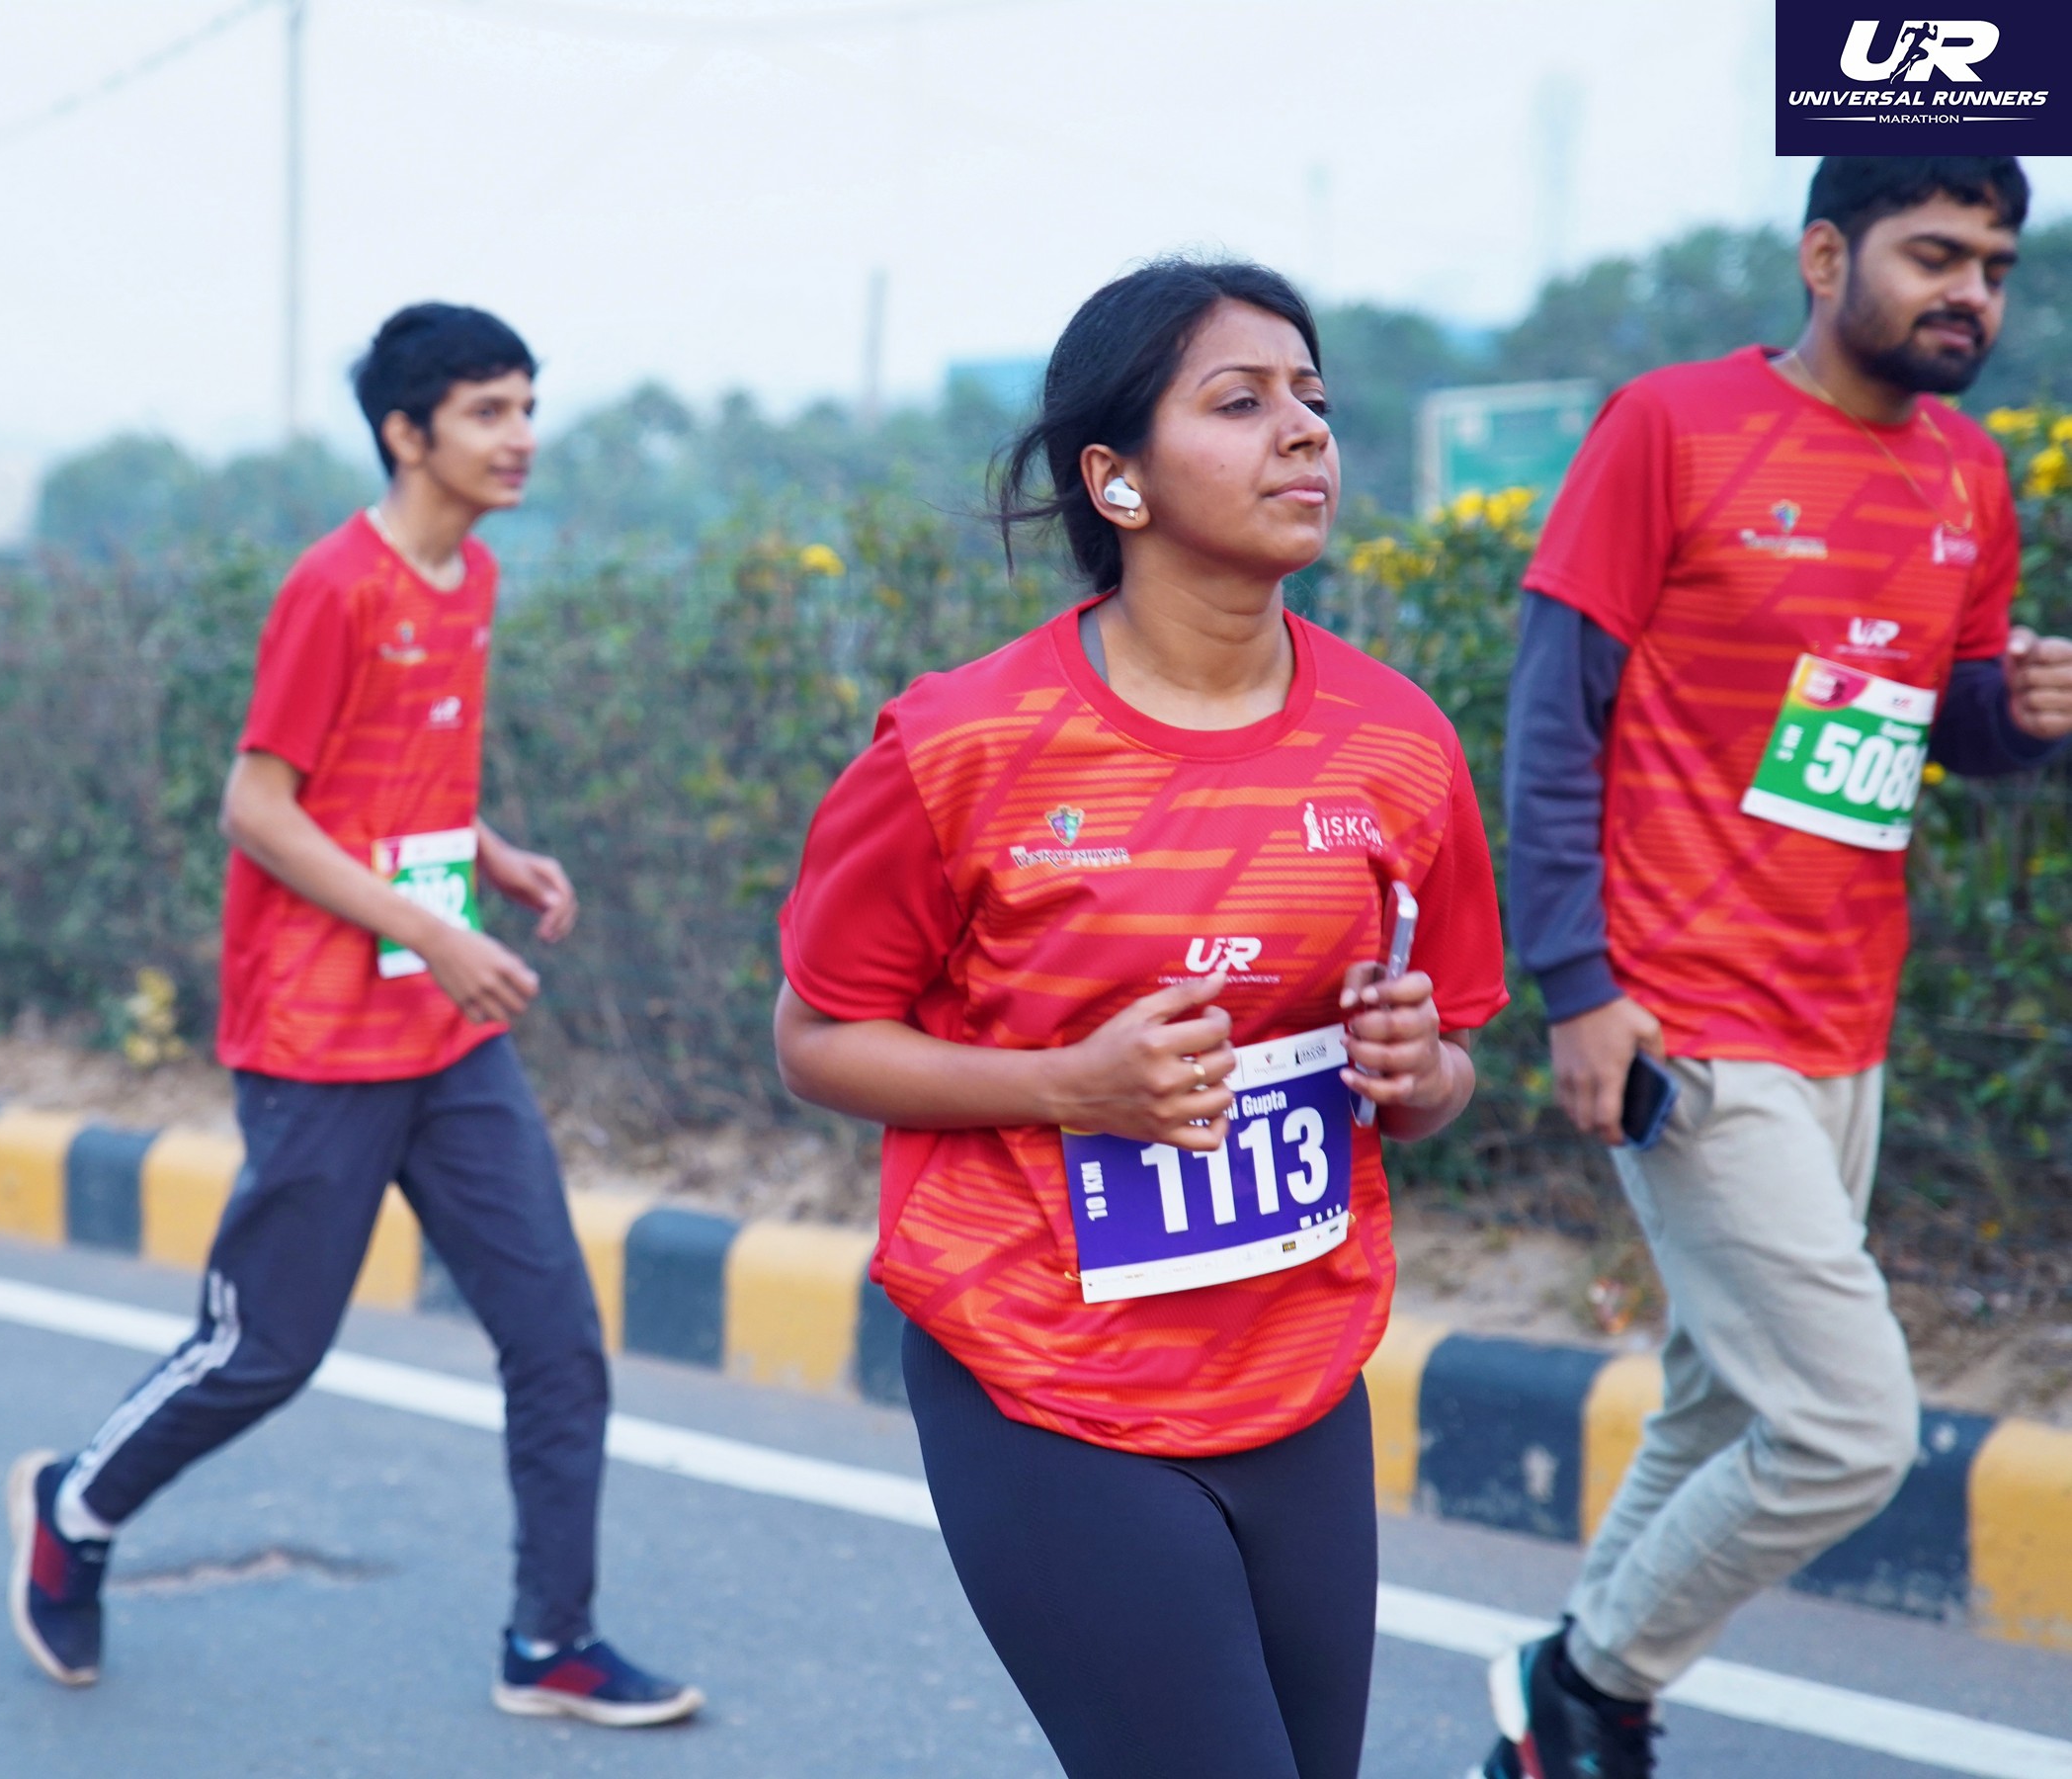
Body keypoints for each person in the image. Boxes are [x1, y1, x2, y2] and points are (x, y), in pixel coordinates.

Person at [773, 257, 1508, 1779]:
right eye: (1239, 403)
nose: (1304, 432)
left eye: (1312, 397)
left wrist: (1420, 1067)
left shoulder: (1398, 745)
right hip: (1043, 1377)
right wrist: (1074, 1087)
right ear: (1116, 480)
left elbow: (1448, 1072)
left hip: (1296, 1374)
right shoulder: (964, 746)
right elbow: (817, 1040)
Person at [5, 302, 701, 1729]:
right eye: (489, 411)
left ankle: (550, 1641)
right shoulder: (335, 588)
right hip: (321, 1036)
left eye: (527, 406)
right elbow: (258, 807)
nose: (521, 436)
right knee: (265, 1350)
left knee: (557, 1341)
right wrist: (438, 931)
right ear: (407, 433)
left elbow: (386, 780)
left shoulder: (473, 576)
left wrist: (488, 855)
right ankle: (73, 1508)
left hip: (446, 1035)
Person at [1484, 156, 2072, 1779]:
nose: (1970, 295)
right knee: (1848, 1429)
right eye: (1934, 255)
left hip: (1844, 1015)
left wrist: (2017, 717)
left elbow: (1935, 724)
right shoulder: (1671, 427)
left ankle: (1548, 1742)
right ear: (1825, 255)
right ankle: (1589, 1687)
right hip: (1685, 1012)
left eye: (1995, 266)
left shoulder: (1968, 474)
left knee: (1724, 1406)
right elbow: (1555, 718)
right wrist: (1575, 984)